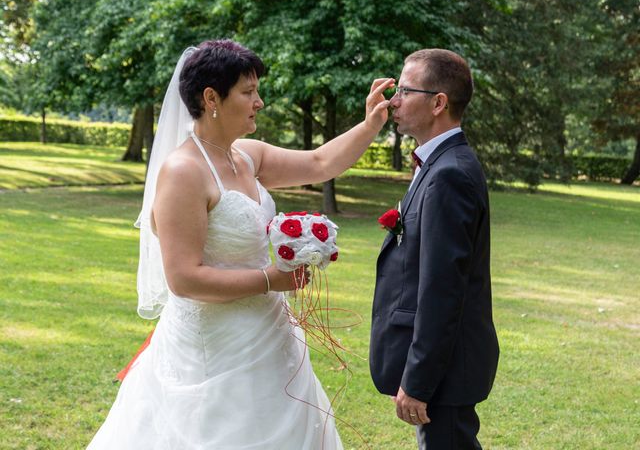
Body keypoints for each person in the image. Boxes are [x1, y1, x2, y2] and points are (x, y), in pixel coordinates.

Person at [87, 39, 394, 450]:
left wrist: (371, 123)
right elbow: (183, 278)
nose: (260, 102)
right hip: (213, 348)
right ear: (211, 97)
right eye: (248, 92)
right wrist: (270, 279)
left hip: (269, 335)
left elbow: (322, 163)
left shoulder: (246, 156)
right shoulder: (183, 171)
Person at [369, 49, 499, 449]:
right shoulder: (438, 163)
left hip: (446, 370)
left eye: (405, 90)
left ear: (438, 102)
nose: (395, 100)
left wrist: (419, 379)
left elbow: (443, 290)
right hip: (446, 366)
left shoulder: (449, 175)